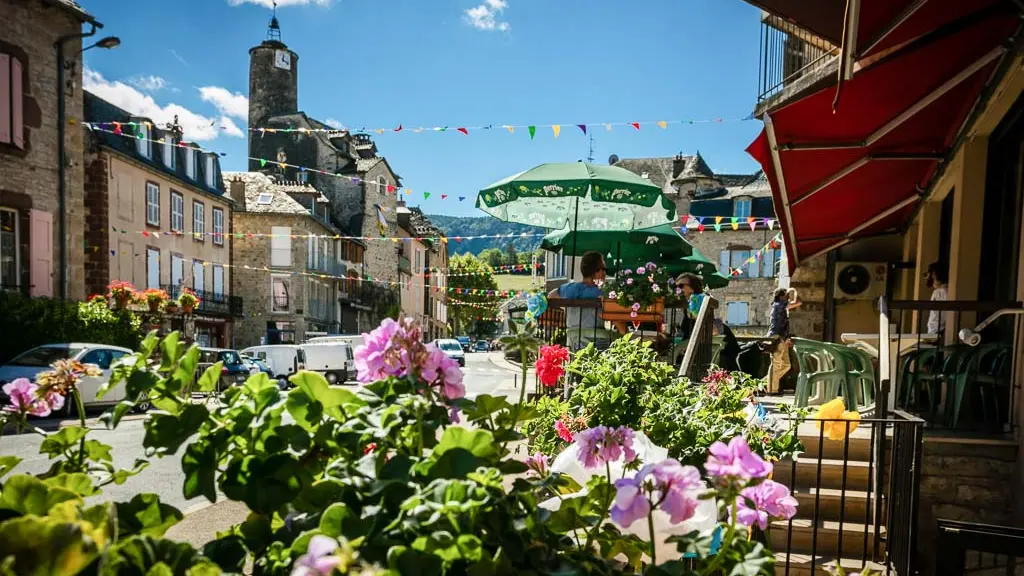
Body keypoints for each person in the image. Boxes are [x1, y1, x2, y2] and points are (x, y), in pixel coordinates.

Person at [547, 251, 611, 350]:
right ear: (596, 271)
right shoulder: (602, 293)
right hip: (597, 345)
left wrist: (570, 309)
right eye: (604, 269)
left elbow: (550, 296)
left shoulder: (568, 289)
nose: (605, 273)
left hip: (574, 345)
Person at [766, 288, 801, 394]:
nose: (787, 297)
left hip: (782, 338)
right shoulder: (779, 304)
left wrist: (786, 339)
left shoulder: (778, 305)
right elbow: (798, 302)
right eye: (786, 295)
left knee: (786, 365)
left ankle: (764, 383)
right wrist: (795, 291)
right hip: (777, 338)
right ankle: (772, 390)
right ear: (782, 296)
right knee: (776, 364)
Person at [925, 261, 948, 336]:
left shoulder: (940, 292)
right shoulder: (942, 291)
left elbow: (941, 317)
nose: (926, 277)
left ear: (934, 275)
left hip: (937, 333)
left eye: (927, 274)